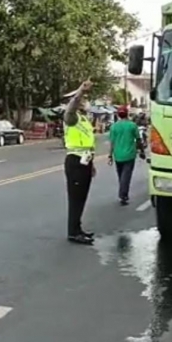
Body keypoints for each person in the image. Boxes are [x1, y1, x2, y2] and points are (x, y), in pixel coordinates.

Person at [63, 80, 97, 245]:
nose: (84, 101)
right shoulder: (71, 118)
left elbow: (88, 143)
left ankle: (78, 228)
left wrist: (92, 164)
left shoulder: (84, 119)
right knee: (75, 199)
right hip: (75, 161)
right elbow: (72, 106)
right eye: (83, 100)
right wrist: (80, 92)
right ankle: (73, 232)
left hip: (85, 161)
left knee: (82, 198)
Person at [108, 106, 145, 205]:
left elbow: (112, 142)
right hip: (129, 155)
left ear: (118, 115)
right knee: (126, 176)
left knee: (121, 175)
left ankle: (123, 192)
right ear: (127, 114)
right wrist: (142, 151)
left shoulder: (114, 127)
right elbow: (138, 140)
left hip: (118, 155)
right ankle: (123, 195)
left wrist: (110, 155)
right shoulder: (132, 125)